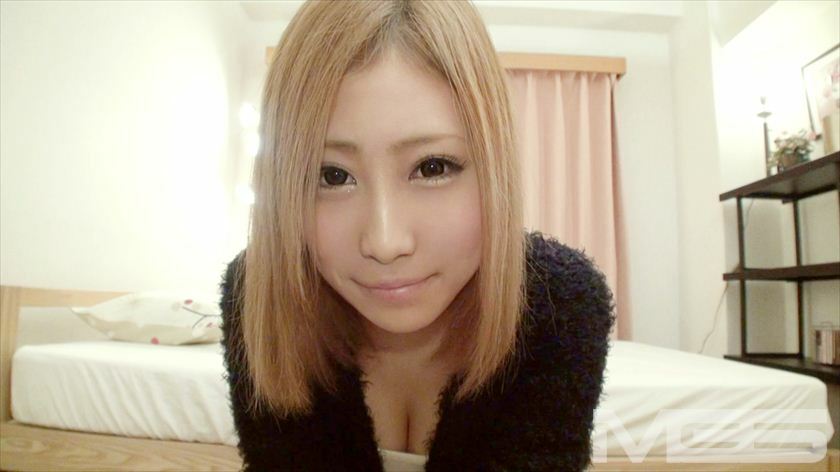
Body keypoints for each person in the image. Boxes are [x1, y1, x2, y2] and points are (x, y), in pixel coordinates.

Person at [219, 1, 615, 471]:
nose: (385, 243)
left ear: (495, 164)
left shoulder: (557, 301)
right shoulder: (259, 294)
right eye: (331, 176)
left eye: (432, 167)